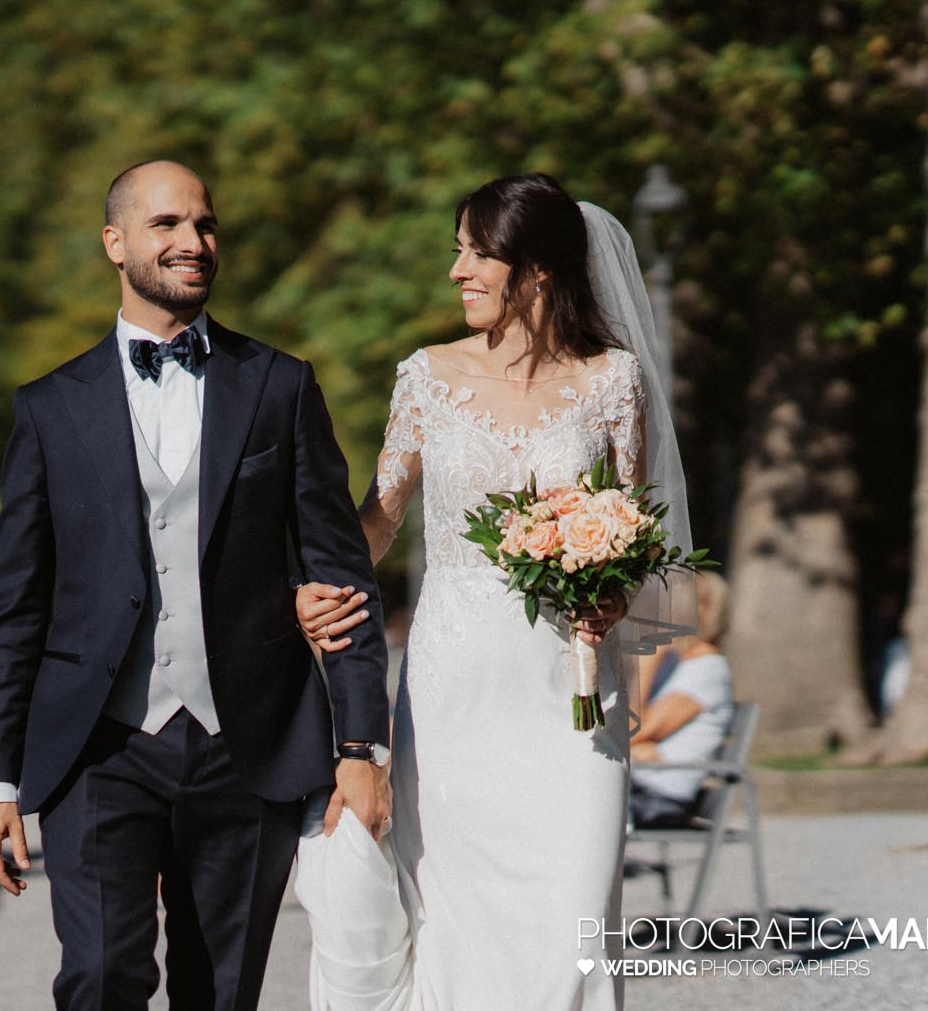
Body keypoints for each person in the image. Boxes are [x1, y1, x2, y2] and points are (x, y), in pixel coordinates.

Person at [0, 160, 391, 1010]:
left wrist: (361, 748)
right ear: (116, 243)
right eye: (167, 225)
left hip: (250, 744)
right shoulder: (48, 408)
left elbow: (342, 579)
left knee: (223, 990)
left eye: (204, 225)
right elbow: (13, 607)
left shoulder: (280, 384)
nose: (192, 242)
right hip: (98, 745)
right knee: (98, 976)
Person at [297, 173, 696, 1009]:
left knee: (573, 919)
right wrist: (310, 588)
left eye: (476, 252)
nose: (458, 271)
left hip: (572, 695)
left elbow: (638, 532)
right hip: (456, 693)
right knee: (459, 918)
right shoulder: (426, 377)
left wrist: (613, 597)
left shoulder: (613, 382)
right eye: (458, 251)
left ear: (538, 269)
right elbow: (378, 522)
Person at [629, 571, 733, 827]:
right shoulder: (683, 665)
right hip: (641, 781)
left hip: (658, 795)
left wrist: (646, 662)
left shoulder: (707, 669)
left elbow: (633, 731)